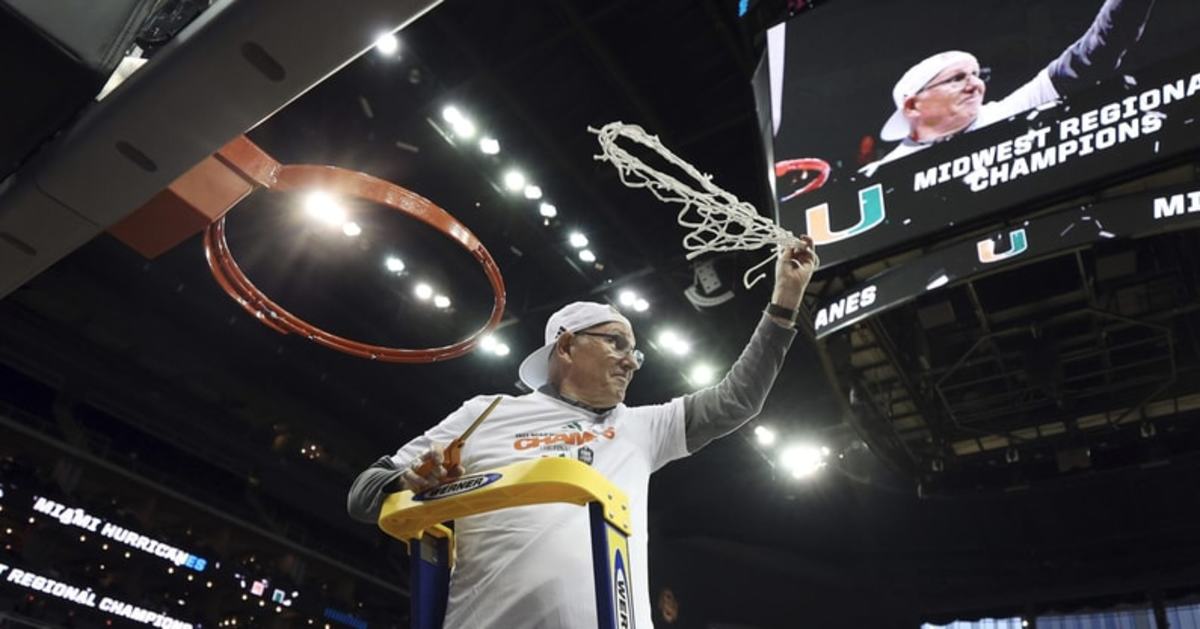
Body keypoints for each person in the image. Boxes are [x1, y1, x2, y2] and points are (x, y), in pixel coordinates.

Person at [347, 239, 819, 628]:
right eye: (617, 343)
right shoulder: (484, 413)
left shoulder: (641, 427)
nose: (631, 360)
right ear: (567, 346)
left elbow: (737, 400)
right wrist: (405, 482)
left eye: (636, 352)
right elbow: (364, 494)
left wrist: (783, 306)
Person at [862, 0, 1156, 174]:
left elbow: (1095, 51)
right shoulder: (882, 175)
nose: (975, 85)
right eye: (957, 78)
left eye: (977, 75)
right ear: (913, 105)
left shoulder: (1006, 113)